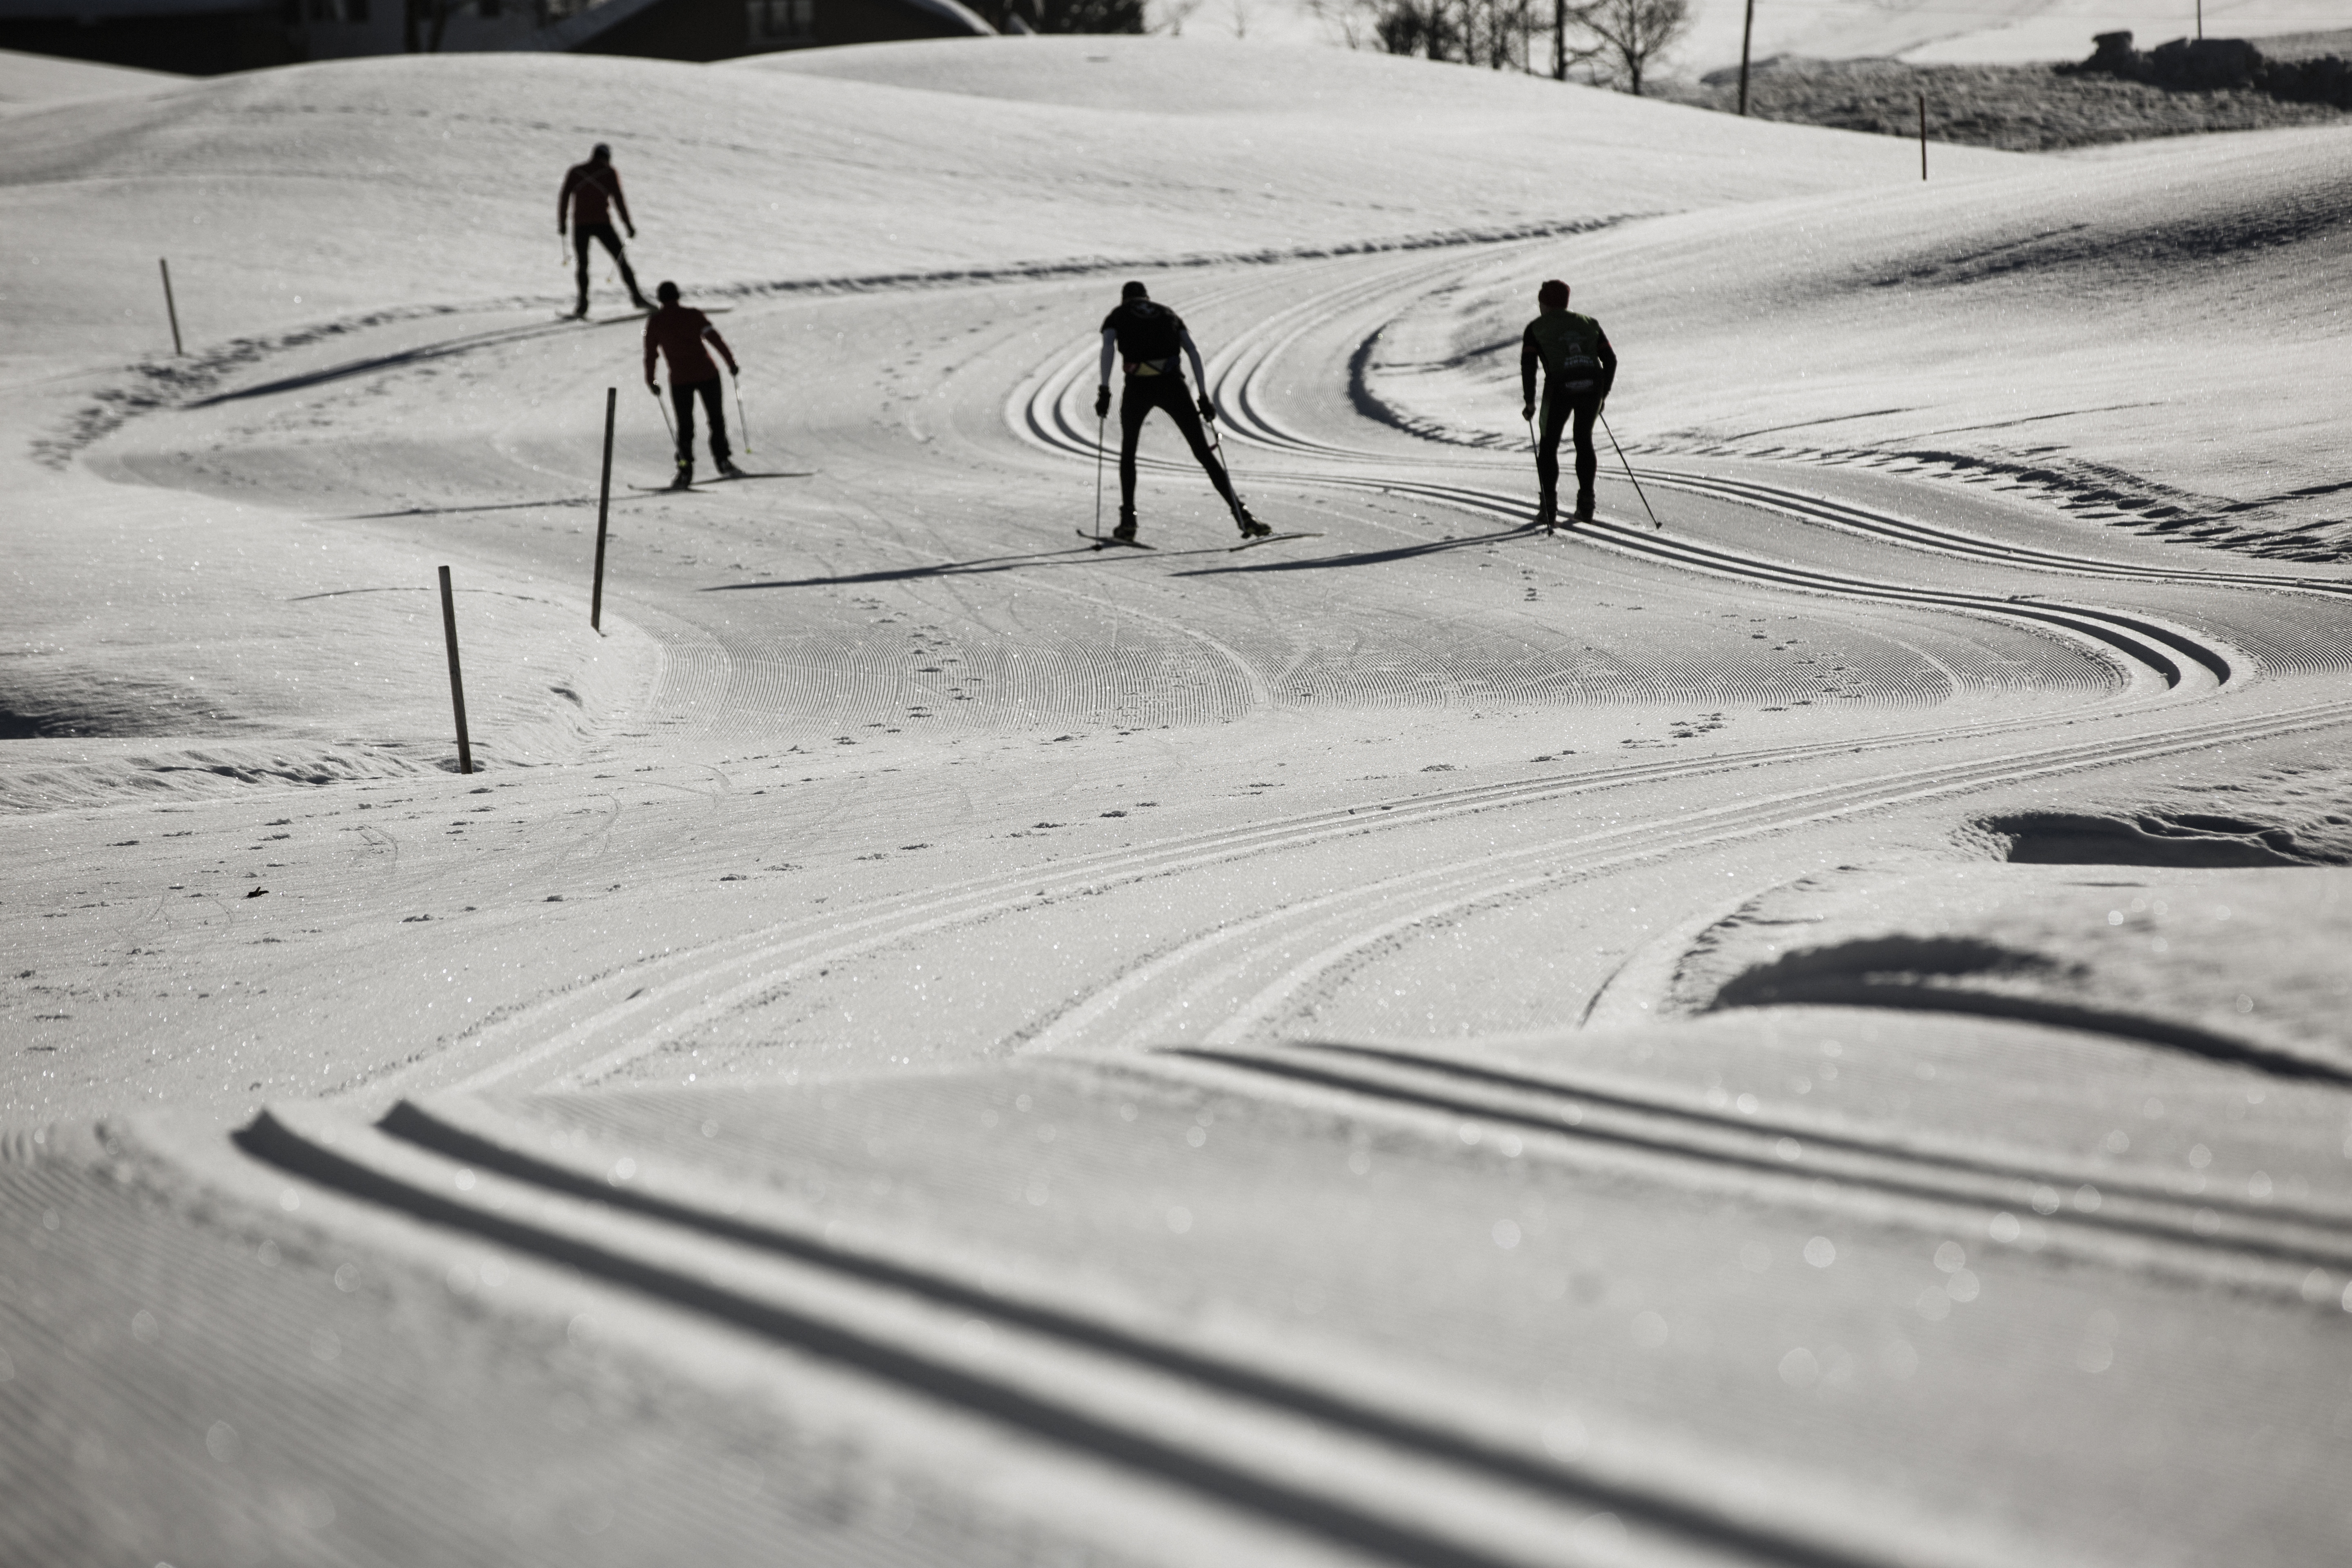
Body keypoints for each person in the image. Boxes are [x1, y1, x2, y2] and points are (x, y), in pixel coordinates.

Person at [1094, 282, 1268, 542]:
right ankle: (1243, 516)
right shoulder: (1167, 313)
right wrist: (1203, 395)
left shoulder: (1117, 315)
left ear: (1125, 299)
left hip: (1138, 387)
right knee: (1203, 453)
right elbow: (1192, 350)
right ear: (1146, 297)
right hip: (1173, 385)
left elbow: (1108, 348)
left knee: (1128, 452)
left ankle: (1128, 520)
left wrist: (1105, 390)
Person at [1520, 278, 1617, 527]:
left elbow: (1529, 366)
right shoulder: (1589, 324)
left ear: (1545, 303)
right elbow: (1611, 360)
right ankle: (1586, 507)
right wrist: (1603, 394)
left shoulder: (1536, 328)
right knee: (1584, 440)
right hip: (1592, 385)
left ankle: (1549, 509)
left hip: (1560, 386)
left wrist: (1530, 402)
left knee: (1549, 444)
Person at [643, 281, 743, 489]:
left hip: (680, 381)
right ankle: (724, 462)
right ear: (678, 296)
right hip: (708, 374)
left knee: (685, 427)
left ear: (660, 300)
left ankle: (685, 470)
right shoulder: (694, 315)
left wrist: (651, 380)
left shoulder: (655, 322)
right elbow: (715, 339)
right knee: (716, 420)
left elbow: (651, 355)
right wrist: (731, 362)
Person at [559, 143, 650, 319]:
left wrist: (562, 223)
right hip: (602, 224)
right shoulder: (609, 172)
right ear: (607, 157)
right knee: (621, 260)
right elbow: (619, 199)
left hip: (580, 225)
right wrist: (628, 225)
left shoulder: (576, 172)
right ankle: (637, 298)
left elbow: (564, 196)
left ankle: (582, 306)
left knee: (583, 265)